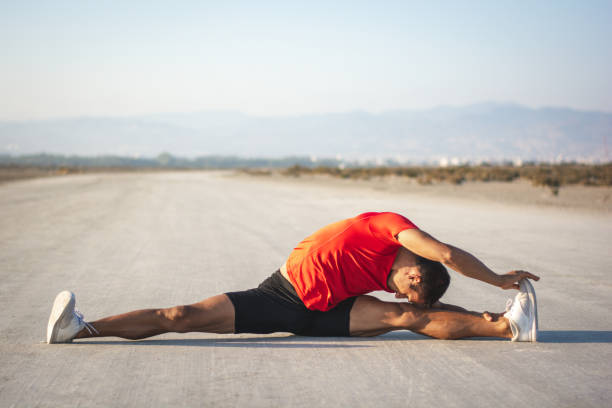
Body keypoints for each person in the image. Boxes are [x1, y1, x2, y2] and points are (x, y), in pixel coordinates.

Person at [46, 212, 539, 344]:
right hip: (278, 297)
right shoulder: (388, 227)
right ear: (414, 267)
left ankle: (509, 327)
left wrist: (488, 309)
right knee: (179, 315)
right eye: (409, 283)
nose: (395, 288)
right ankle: (78, 330)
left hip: (328, 314)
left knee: (407, 317)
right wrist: (497, 279)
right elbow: (448, 254)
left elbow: (422, 308)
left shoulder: (394, 287)